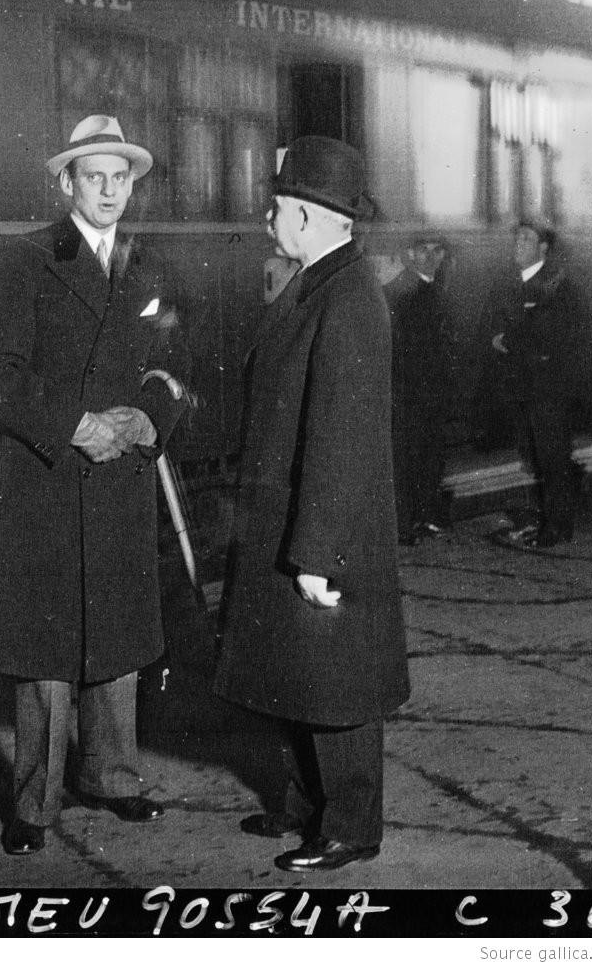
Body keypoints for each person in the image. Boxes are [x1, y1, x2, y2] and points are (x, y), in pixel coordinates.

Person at [0, 114, 190, 856]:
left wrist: (146, 416)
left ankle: (115, 779)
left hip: (120, 474)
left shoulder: (147, 268)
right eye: (93, 175)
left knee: (119, 640)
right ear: (66, 183)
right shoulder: (24, 261)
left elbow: (174, 366)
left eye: (119, 176)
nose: (108, 189)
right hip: (47, 475)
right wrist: (75, 424)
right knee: (46, 650)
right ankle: (34, 802)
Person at [213, 136, 409, 873]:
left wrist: (317, 553)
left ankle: (351, 826)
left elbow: (343, 437)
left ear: (310, 216)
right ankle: (305, 809)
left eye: (277, 207)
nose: (267, 220)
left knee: (338, 687)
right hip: (290, 513)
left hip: (324, 526)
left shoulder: (349, 299)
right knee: (300, 673)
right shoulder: (320, 283)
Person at [482, 218, 585, 548]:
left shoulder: (555, 284)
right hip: (525, 388)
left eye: (526, 238)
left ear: (543, 248)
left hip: (547, 389)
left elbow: (549, 334)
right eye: (516, 238)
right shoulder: (516, 283)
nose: (517, 243)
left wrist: (505, 340)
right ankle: (548, 520)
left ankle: (555, 526)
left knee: (552, 458)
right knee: (537, 457)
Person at [384, 237, 458, 544]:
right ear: (410, 254)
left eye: (437, 251)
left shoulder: (435, 290)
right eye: (422, 251)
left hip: (430, 393)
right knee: (407, 460)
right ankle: (405, 525)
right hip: (409, 393)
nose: (430, 257)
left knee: (429, 455)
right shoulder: (398, 292)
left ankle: (424, 516)